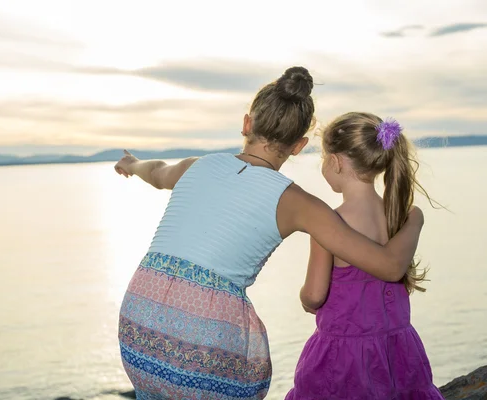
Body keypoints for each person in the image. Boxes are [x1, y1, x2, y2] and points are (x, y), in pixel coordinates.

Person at [113, 67, 425, 400]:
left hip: (138, 321)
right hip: (203, 340)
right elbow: (390, 267)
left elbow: (157, 171)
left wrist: (131, 164)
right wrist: (414, 219)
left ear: (247, 124)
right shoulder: (302, 204)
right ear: (299, 146)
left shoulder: (197, 165)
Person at [285, 112, 443, 399]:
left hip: (345, 358)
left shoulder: (330, 224)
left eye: (323, 157)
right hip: (398, 353)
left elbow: (315, 294)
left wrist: (304, 298)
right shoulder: (401, 216)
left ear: (335, 161)